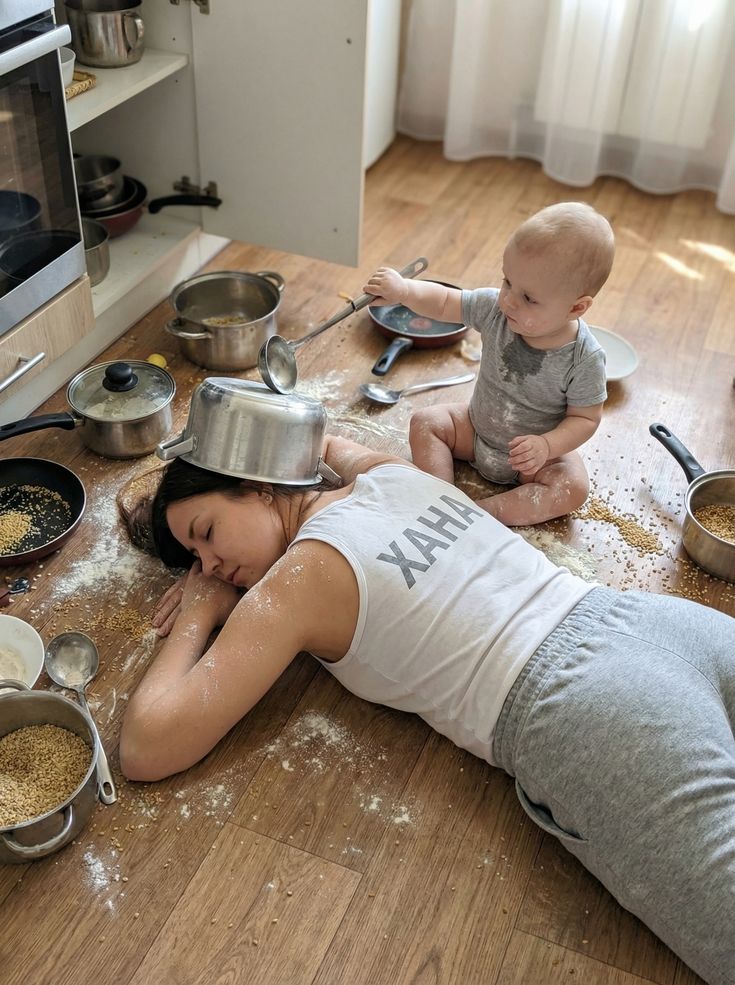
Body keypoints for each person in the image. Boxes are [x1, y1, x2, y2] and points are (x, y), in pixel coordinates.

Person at [119, 431, 734, 985]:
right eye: (198, 564)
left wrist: (198, 608)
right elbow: (322, 439)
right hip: (656, 624)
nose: (212, 567)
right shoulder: (390, 474)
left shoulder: (298, 580)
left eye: (205, 534)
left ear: (257, 484)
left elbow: (147, 746)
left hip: (590, 714)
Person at [363, 202, 615, 526]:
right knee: (425, 422)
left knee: (572, 488)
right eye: (507, 281)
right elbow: (444, 302)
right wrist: (405, 290)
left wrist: (547, 445)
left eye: (529, 298)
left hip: (533, 458)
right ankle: (441, 497)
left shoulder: (585, 359)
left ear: (576, 308)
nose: (509, 299)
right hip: (475, 429)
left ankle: (484, 515)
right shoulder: (497, 310)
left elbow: (585, 418)